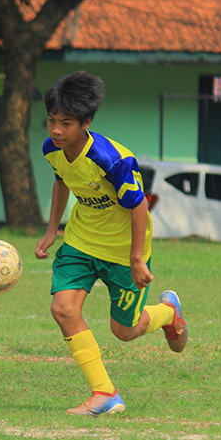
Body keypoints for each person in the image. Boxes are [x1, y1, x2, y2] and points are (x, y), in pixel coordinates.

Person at [34, 71, 188, 417]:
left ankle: (168, 313)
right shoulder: (53, 150)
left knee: (125, 330)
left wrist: (136, 258)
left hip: (122, 252)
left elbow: (138, 205)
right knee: (63, 309)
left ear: (86, 123)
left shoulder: (111, 159)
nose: (56, 130)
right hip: (81, 242)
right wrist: (51, 230)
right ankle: (105, 393)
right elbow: (62, 181)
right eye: (51, 121)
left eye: (66, 123)